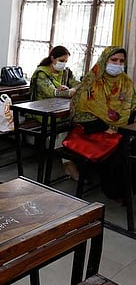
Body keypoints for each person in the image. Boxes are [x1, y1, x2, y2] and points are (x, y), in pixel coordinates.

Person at [71, 46, 136, 199]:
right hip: (90, 130)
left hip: (119, 128)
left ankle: (130, 188)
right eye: (114, 60)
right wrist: (106, 128)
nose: (118, 64)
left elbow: (132, 106)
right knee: (119, 149)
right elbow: (80, 112)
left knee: (131, 145)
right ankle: (117, 191)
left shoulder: (125, 82)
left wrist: (122, 127)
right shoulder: (92, 80)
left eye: (121, 61)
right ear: (104, 60)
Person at [30, 45, 80, 180]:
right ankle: (68, 163)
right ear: (53, 58)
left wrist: (68, 90)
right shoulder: (42, 73)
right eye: (61, 60)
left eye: (65, 61)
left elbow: (79, 85)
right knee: (62, 129)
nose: (63, 64)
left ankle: (70, 161)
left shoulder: (66, 72)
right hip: (42, 111)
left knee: (75, 125)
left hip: (60, 110)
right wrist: (68, 92)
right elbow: (52, 92)